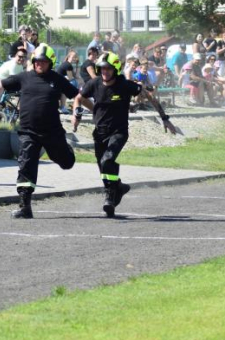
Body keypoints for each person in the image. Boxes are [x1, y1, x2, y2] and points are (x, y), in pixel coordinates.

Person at [0, 44, 79, 219]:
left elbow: (77, 95)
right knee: (25, 166)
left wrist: (78, 111)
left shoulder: (57, 79)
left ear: (50, 63)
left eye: (43, 62)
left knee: (67, 163)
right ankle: (24, 206)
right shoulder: (24, 77)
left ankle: (67, 150)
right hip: (28, 132)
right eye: (37, 61)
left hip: (52, 131)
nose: (39, 64)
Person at [73, 53, 176, 217]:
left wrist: (164, 118)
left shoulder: (124, 85)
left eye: (108, 68)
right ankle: (118, 188)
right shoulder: (94, 83)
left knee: (107, 160)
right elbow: (78, 99)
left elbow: (148, 95)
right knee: (103, 168)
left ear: (115, 69)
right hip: (99, 132)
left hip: (119, 132)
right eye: (102, 68)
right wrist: (76, 115)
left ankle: (110, 197)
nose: (105, 71)